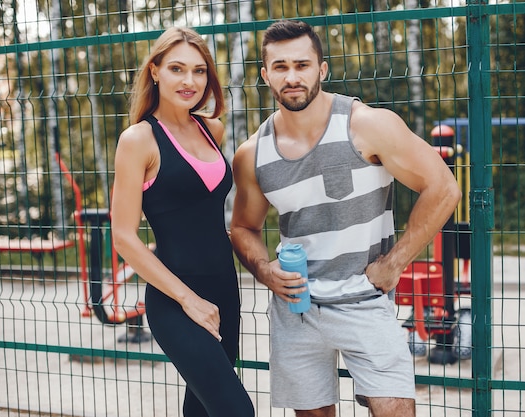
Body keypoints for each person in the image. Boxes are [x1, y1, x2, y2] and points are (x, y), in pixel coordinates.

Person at [230, 20, 462, 417]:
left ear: (321, 70)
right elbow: (242, 227)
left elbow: (443, 188)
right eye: (281, 67)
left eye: (302, 65)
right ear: (266, 75)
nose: (292, 76)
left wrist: (394, 264)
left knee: (394, 411)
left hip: (364, 301)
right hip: (296, 309)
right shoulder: (252, 154)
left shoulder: (368, 125)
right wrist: (265, 270)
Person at [111, 27, 254, 417]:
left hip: (224, 290)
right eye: (177, 69)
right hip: (175, 299)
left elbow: (202, 209)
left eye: (199, 71)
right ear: (155, 71)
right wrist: (188, 299)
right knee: (236, 410)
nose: (189, 81)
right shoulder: (139, 140)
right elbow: (124, 236)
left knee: (203, 408)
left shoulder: (213, 130)